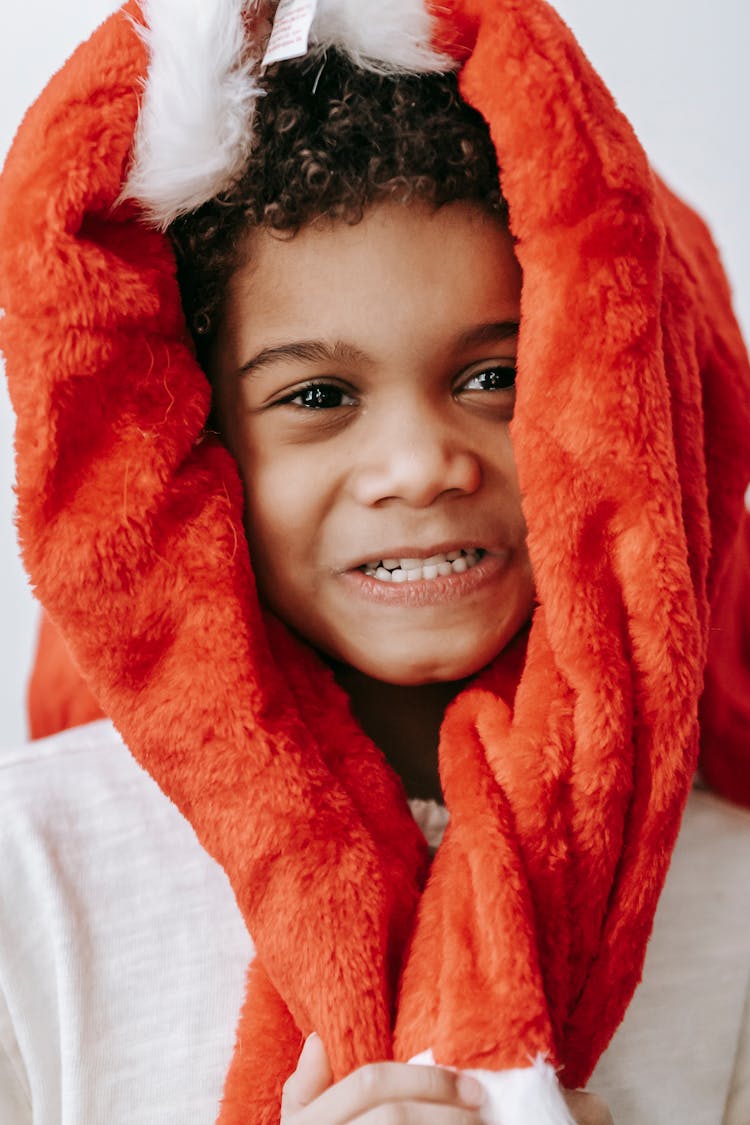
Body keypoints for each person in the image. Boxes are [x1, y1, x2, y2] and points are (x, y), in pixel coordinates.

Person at [0, 2, 748, 1123]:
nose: (417, 466)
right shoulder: (33, 877)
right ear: (193, 450)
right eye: (317, 397)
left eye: (494, 377)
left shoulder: (731, 896)